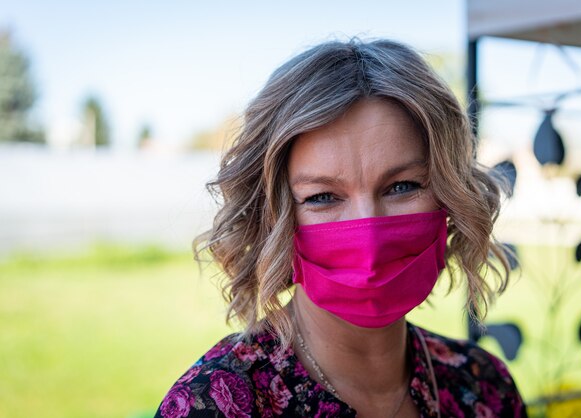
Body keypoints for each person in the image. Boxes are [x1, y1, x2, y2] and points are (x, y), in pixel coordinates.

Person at [155, 38, 527, 418]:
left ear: (451, 196)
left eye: (402, 186)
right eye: (322, 197)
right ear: (274, 215)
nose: (369, 231)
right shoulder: (217, 404)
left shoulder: (483, 386)